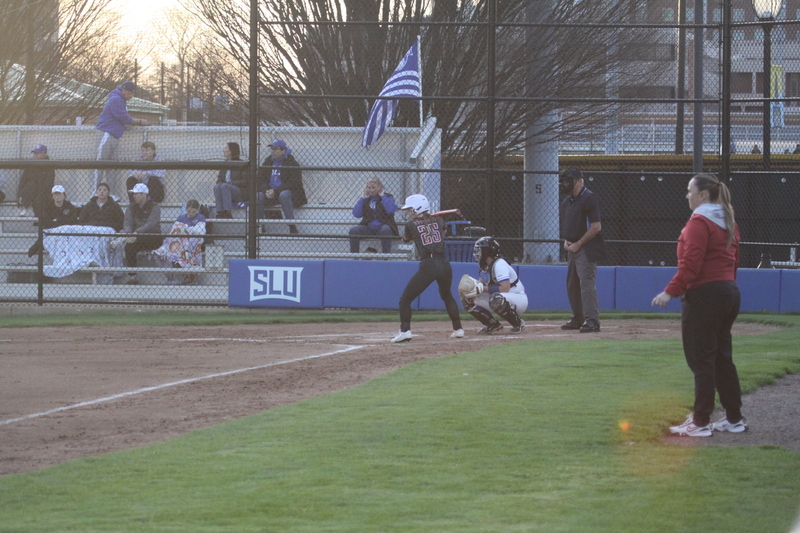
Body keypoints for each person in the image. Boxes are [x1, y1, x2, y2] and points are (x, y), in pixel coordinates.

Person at [652, 174, 745, 438]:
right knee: (722, 358)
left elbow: (690, 266)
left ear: (703, 195)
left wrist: (669, 292)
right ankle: (734, 418)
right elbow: (734, 262)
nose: (687, 195)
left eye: (689, 191)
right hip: (728, 292)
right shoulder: (729, 221)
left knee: (701, 359)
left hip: (704, 295)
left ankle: (701, 421)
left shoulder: (699, 224)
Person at [392, 194, 464, 343]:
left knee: (405, 300)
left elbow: (406, 239)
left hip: (428, 265)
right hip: (444, 263)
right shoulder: (438, 220)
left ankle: (405, 331)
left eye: (410, 210)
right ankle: (458, 329)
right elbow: (443, 231)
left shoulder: (411, 225)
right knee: (447, 296)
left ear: (418, 208)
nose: (408, 213)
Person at [559, 167, 607, 333]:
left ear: (580, 181)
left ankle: (592, 320)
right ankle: (578, 318)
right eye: (564, 181)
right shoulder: (567, 203)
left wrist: (578, 243)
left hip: (587, 248)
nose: (566, 184)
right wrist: (567, 242)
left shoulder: (589, 198)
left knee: (586, 283)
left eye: (569, 180)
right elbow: (569, 228)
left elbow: (596, 227)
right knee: (572, 284)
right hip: (572, 248)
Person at [461, 236, 527, 334]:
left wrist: (483, 289)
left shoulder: (499, 264)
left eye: (480, 250)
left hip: (517, 298)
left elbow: (505, 288)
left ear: (487, 251)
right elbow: (482, 283)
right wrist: (473, 288)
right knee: (467, 298)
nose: (478, 253)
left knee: (496, 298)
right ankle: (492, 324)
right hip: (500, 297)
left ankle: (518, 323)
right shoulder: (484, 265)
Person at [94, 81, 148, 196]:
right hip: (106, 133)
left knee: (112, 167)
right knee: (99, 165)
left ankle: (111, 194)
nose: (131, 96)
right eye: (129, 93)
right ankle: (94, 193)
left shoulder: (121, 100)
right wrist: (139, 121)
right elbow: (124, 118)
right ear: (123, 90)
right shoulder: (116, 99)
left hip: (114, 135)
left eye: (132, 93)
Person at [257, 139, 307, 234]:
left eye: (276, 149)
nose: (273, 151)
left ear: (283, 150)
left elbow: (294, 183)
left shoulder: (292, 163)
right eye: (272, 149)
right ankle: (260, 226)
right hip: (270, 193)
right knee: (258, 196)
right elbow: (260, 179)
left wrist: (276, 191)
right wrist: (266, 190)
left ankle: (292, 226)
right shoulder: (268, 162)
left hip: (286, 193)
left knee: (284, 195)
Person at [153, 199, 206, 285]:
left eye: (193, 212)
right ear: (186, 210)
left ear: (197, 210)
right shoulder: (181, 217)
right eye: (189, 211)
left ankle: (191, 274)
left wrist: (186, 228)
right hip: (180, 241)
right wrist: (186, 229)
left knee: (192, 242)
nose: (191, 214)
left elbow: (201, 231)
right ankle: (177, 275)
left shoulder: (200, 218)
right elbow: (174, 229)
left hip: (193, 240)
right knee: (170, 243)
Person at [122, 183, 162, 285]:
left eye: (136, 194)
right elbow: (127, 222)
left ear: (144, 194)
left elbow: (151, 224)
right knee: (129, 247)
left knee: (146, 237)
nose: (134, 196)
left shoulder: (155, 206)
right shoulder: (131, 207)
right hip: (136, 238)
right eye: (133, 194)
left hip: (153, 237)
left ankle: (135, 239)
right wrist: (128, 233)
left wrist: (136, 234)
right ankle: (132, 276)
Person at [348, 178, 399, 254]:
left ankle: (386, 256)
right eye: (369, 188)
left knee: (386, 229)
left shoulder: (388, 197)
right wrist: (362, 198)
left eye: (373, 188)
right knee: (353, 231)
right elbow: (356, 214)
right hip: (369, 227)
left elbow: (391, 210)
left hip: (382, 227)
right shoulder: (366, 199)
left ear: (379, 187)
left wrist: (383, 196)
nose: (371, 190)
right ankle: (354, 256)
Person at [27, 185, 79, 257]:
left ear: (64, 195)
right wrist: (62, 221)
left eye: (59, 194)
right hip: (52, 231)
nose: (57, 196)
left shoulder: (69, 206)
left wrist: (57, 220)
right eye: (55, 194)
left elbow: (73, 221)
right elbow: (47, 222)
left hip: (66, 232)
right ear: (52, 196)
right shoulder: (48, 206)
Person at [17, 144, 55, 217]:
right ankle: (24, 208)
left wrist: (33, 193)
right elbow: (22, 182)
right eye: (34, 153)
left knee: (37, 198)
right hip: (29, 192)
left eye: (37, 153)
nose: (34, 155)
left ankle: (36, 218)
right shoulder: (29, 166)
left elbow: (48, 185)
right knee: (31, 185)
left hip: (43, 194)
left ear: (44, 155)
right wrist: (20, 195)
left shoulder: (49, 166)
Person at [213, 142, 246, 219]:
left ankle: (227, 212)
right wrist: (220, 183)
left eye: (226, 148)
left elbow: (245, 181)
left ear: (232, 151)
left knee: (225, 186)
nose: (224, 150)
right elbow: (219, 179)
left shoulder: (242, 164)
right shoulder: (225, 164)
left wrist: (231, 183)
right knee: (217, 187)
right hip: (224, 188)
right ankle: (220, 212)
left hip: (238, 191)